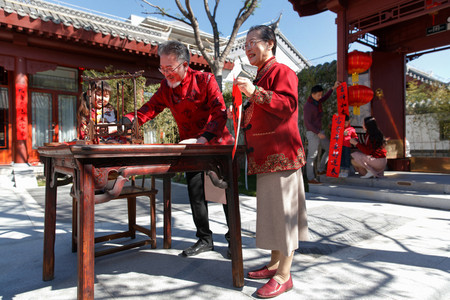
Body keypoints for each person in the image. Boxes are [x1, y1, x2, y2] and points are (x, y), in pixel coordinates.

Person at [121, 40, 234, 257]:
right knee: (195, 192)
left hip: (215, 143)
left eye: (170, 69)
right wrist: (128, 119)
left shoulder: (205, 80)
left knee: (225, 193)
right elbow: (150, 108)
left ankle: (232, 239)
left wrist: (203, 139)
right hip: (189, 146)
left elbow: (219, 111)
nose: (165, 74)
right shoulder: (165, 88)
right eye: (162, 68)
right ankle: (204, 239)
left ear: (184, 64)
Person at [233, 25, 308, 298]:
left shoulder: (283, 72)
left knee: (284, 216)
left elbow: (287, 105)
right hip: (265, 156)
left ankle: (284, 275)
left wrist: (253, 92)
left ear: (270, 44)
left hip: (282, 156)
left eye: (253, 42)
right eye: (245, 45)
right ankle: (275, 263)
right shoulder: (262, 75)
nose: (248, 48)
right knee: (274, 213)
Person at [303, 81, 339, 184]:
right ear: (313, 94)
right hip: (313, 133)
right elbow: (307, 123)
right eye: (318, 95)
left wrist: (333, 88)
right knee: (312, 156)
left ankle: (320, 169)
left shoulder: (317, 102)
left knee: (330, 149)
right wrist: (317, 133)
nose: (320, 97)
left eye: (321, 94)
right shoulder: (308, 106)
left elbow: (325, 98)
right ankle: (310, 178)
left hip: (320, 131)